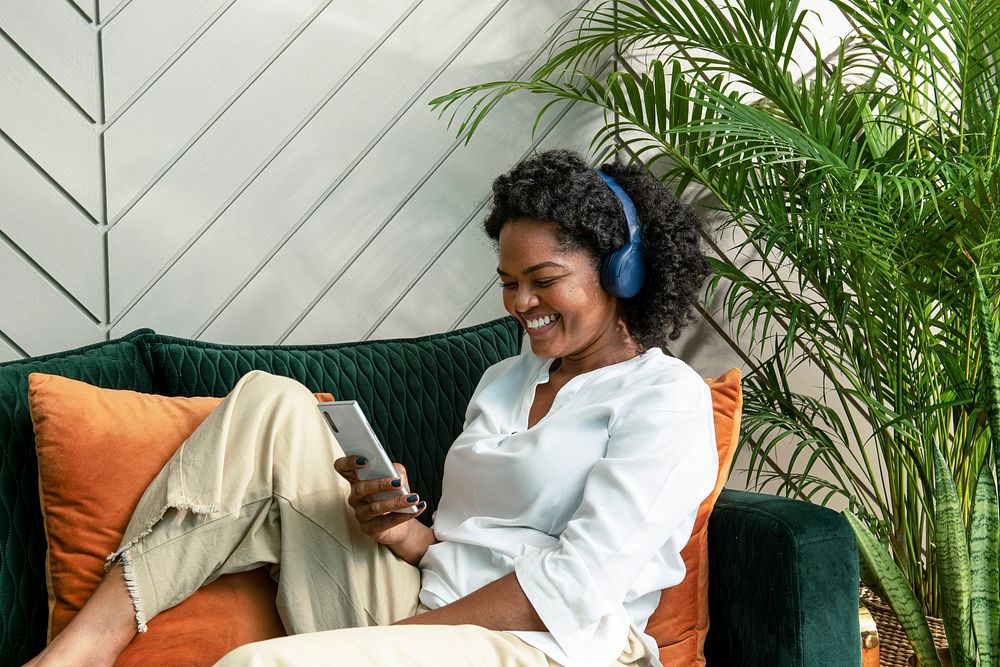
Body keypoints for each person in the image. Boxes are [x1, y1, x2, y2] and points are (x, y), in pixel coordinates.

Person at [25, 149, 717, 667]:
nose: (519, 304)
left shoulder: (665, 400)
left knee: (254, 664)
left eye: (543, 280)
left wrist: (390, 642)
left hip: (552, 647)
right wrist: (405, 534)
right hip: (430, 614)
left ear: (620, 271)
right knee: (269, 401)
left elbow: (573, 586)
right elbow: (465, 543)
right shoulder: (507, 379)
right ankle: (84, 647)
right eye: (509, 282)